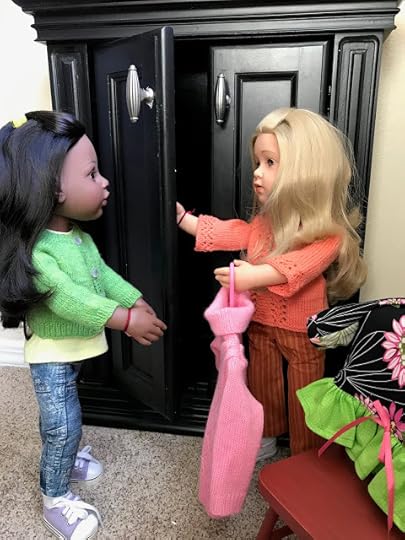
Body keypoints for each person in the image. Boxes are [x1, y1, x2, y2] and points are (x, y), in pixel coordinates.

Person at [0, 111, 167, 540]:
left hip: (71, 353)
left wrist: (133, 298)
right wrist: (124, 319)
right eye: (92, 174)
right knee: (63, 426)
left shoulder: (78, 237)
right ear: (53, 188)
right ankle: (54, 497)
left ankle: (64, 458)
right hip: (51, 358)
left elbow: (102, 276)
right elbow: (68, 298)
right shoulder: (39, 252)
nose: (104, 182)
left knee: (64, 420)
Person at [176, 107, 367, 458]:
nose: (257, 172)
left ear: (305, 173)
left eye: (270, 163)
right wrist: (186, 220)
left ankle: (305, 450)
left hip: (302, 328)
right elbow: (233, 231)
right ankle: (266, 432)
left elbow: (296, 267)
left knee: (305, 388)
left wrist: (251, 275)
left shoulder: (327, 236)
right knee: (263, 380)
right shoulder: (264, 224)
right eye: (258, 162)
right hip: (261, 320)